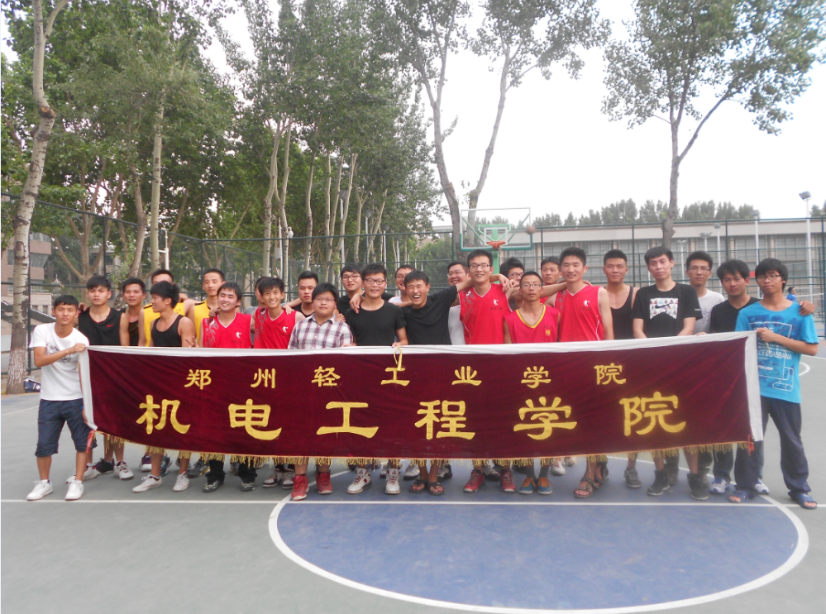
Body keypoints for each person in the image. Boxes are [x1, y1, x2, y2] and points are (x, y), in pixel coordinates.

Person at [730, 258, 818, 510]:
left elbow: (811, 348)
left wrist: (776, 337)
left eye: (772, 275)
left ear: (783, 280)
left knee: (791, 440)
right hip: (754, 390)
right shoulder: (747, 314)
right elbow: (738, 349)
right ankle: (746, 486)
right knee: (750, 440)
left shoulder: (800, 312)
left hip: (786, 389)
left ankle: (799, 488)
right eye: (762, 276)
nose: (767, 280)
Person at [632, 246, 705, 500]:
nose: (658, 266)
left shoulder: (686, 292)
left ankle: (695, 476)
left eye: (662, 261)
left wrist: (670, 351)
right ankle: (660, 474)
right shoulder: (643, 294)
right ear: (648, 267)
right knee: (656, 423)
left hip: (681, 366)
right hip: (652, 368)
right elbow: (638, 329)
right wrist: (653, 353)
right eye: (653, 263)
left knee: (687, 423)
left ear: (672, 263)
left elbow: (689, 327)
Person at [553, 247, 615, 498]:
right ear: (560, 269)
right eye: (566, 265)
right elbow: (528, 293)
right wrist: (561, 285)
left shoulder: (599, 292)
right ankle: (599, 465)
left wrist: (607, 365)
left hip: (594, 367)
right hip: (567, 368)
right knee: (576, 421)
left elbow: (608, 331)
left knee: (593, 421)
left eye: (576, 265)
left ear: (585, 268)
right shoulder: (556, 297)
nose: (571, 269)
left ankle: (590, 474)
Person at [344, 264, 409, 495]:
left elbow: (404, 340)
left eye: (379, 281)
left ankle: (393, 472)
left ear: (385, 284)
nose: (375, 285)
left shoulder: (393, 311)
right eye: (370, 281)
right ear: (363, 283)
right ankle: (363, 472)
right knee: (361, 424)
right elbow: (350, 340)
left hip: (390, 377)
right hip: (360, 377)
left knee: (392, 425)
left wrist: (398, 345)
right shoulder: (352, 312)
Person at [287, 283, 355, 500]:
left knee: (325, 434)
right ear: (312, 301)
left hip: (328, 392)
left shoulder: (342, 329)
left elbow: (346, 364)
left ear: (335, 304)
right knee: (301, 435)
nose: (323, 303)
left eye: (328, 299)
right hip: (303, 390)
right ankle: (300, 478)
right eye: (319, 299)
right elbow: (290, 357)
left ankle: (323, 474)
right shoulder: (300, 326)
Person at [132, 281, 197, 493]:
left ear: (167, 300)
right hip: (157, 385)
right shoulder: (153, 324)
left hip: (180, 385)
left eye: (155, 298)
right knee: (155, 430)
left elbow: (188, 358)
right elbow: (151, 354)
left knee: (182, 429)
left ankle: (183, 473)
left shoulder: (184, 322)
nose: (152, 301)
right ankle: (155, 475)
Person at [27, 295, 92, 502]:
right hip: (49, 399)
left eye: (70, 310)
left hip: (76, 398)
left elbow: (84, 373)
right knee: (44, 445)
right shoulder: (42, 331)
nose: (65, 314)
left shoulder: (82, 339)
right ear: (54, 311)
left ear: (76, 313)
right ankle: (44, 483)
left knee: (82, 443)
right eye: (61, 309)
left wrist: (87, 404)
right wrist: (69, 350)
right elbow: (39, 360)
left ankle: (78, 482)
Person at [503, 271, 559, 496]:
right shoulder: (510, 319)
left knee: (548, 427)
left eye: (536, 284)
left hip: (550, 381)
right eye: (527, 284)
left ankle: (544, 475)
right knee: (525, 428)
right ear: (520, 290)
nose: (532, 288)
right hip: (522, 381)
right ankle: (529, 474)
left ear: (542, 289)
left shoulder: (555, 315)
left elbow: (563, 349)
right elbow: (508, 354)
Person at [199, 282, 258, 492]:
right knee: (214, 432)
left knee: (244, 430)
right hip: (215, 386)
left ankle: (247, 474)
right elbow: (201, 352)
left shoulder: (248, 321)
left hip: (242, 386)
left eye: (230, 296)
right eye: (222, 295)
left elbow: (271, 325)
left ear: (238, 301)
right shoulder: (207, 323)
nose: (225, 299)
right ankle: (215, 475)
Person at [80, 275, 134, 481]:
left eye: (101, 290)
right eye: (93, 290)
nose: (96, 294)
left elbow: (125, 350)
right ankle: (88, 465)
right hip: (88, 377)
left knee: (114, 421)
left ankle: (119, 462)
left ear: (109, 294)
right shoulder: (80, 317)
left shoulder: (120, 317)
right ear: (88, 293)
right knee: (87, 421)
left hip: (113, 377)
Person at [602, 249, 640, 488]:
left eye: (619, 266)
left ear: (626, 269)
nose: (615, 270)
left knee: (632, 415)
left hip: (631, 362)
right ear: (604, 269)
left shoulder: (637, 295)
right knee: (603, 415)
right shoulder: (596, 294)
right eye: (610, 266)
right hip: (603, 364)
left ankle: (631, 467)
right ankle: (600, 462)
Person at [254, 277, 305, 350]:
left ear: (282, 295)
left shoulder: (296, 317)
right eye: (267, 293)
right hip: (261, 357)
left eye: (275, 293)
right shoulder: (259, 313)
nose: (272, 297)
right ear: (262, 297)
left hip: (287, 357)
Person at [188, 268, 224, 347]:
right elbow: (191, 337)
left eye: (214, 282)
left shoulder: (230, 309)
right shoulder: (194, 309)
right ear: (203, 286)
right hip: (202, 352)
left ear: (223, 284)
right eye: (207, 282)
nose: (210, 285)